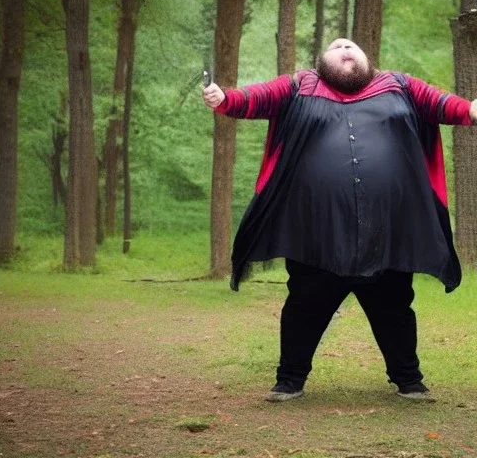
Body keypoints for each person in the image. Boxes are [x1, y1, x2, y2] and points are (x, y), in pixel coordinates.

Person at [202, 38, 477, 403]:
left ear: (367, 59)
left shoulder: (400, 86)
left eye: (351, 46)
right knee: (304, 305)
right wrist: (225, 99)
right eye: (336, 47)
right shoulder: (299, 87)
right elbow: (255, 98)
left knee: (394, 306)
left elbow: (443, 105)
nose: (345, 47)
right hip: (315, 233)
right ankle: (289, 381)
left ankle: (409, 380)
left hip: (388, 231)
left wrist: (471, 109)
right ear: (321, 62)